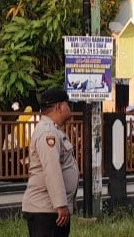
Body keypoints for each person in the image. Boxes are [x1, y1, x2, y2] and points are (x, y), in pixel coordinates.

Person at [22, 88, 79, 237]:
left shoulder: (54, 130)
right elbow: (52, 170)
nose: (70, 108)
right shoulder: (48, 132)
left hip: (51, 210)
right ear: (59, 107)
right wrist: (61, 205)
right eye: (68, 104)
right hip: (46, 211)